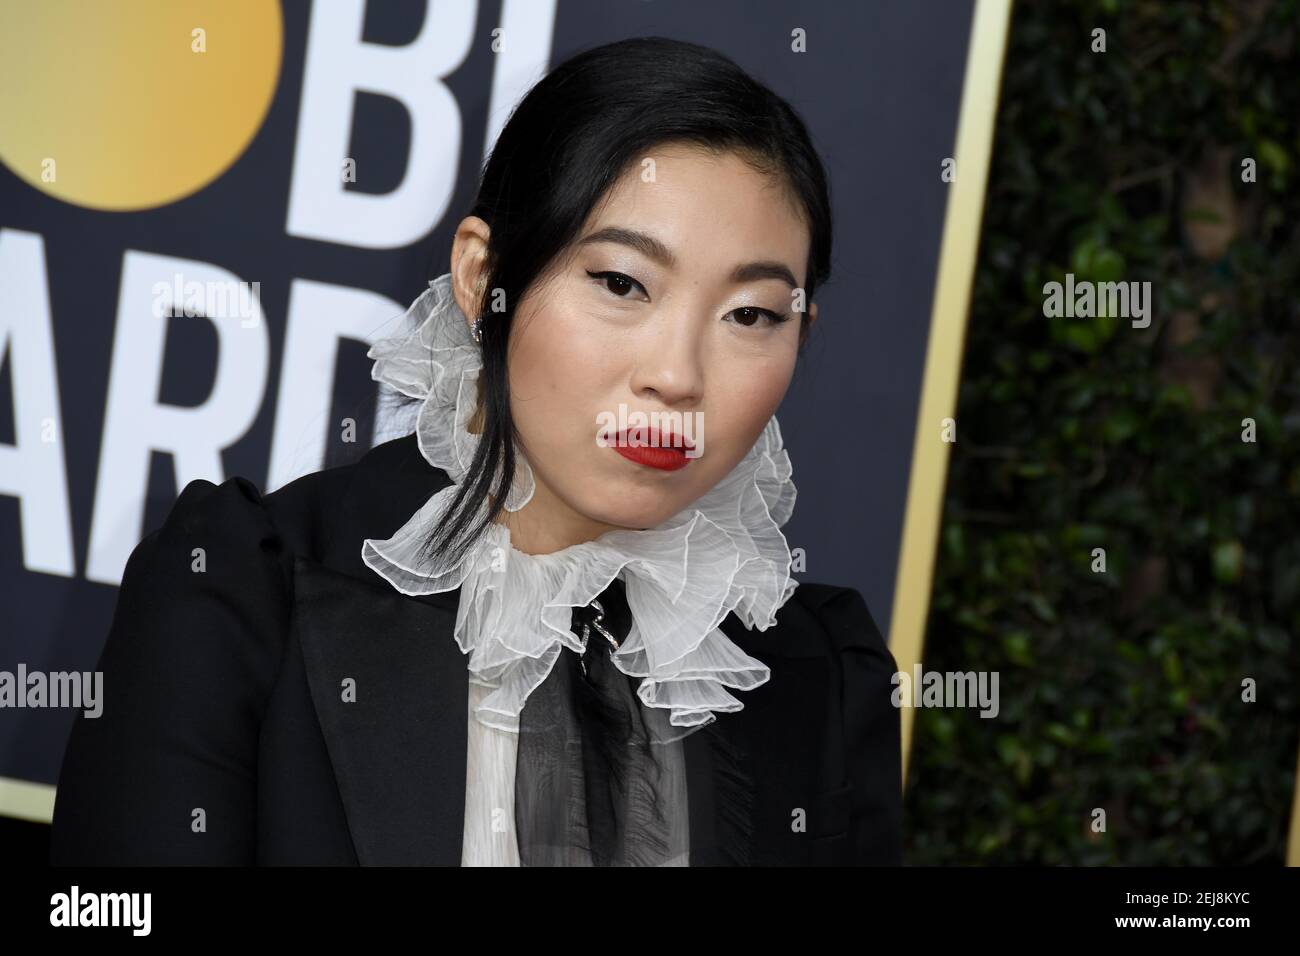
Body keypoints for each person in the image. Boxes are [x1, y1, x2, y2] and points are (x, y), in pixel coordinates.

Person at [50, 36, 902, 866]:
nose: (676, 375)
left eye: (750, 315)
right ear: (480, 277)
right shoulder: (239, 592)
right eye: (620, 283)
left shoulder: (817, 673)